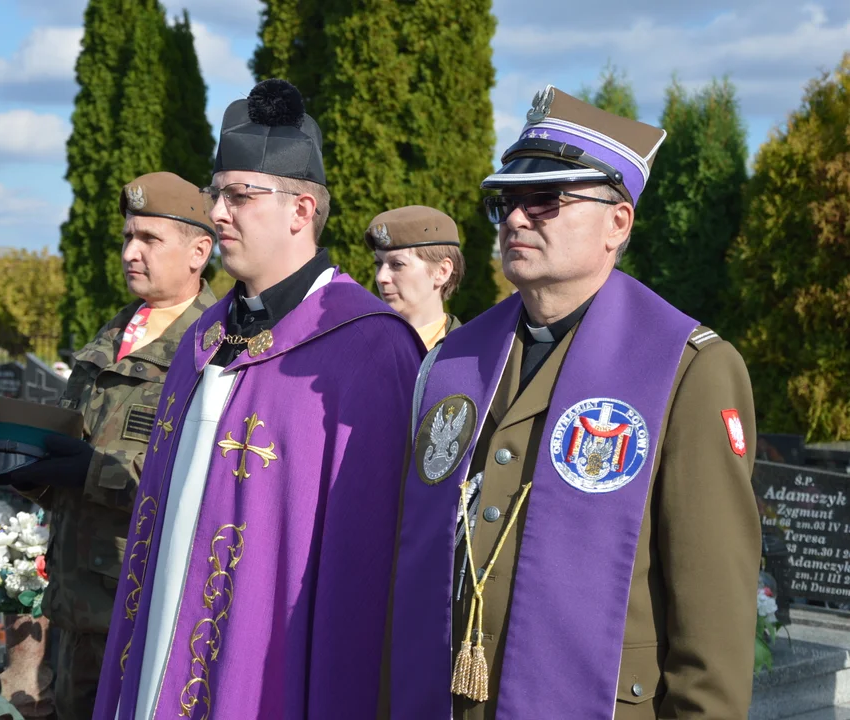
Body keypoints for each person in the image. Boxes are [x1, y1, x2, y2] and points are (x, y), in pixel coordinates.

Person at [382, 86, 760, 719]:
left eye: (546, 199)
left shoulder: (689, 368)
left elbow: (713, 626)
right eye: (504, 201)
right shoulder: (454, 360)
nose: (516, 219)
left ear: (619, 222)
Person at [94, 78, 423, 720]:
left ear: (301, 210)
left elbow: (366, 569)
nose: (217, 212)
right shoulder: (203, 339)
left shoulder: (367, 347)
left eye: (240, 196)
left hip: (272, 672)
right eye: (217, 193)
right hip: (164, 637)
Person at [0, 172, 218, 719]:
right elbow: (73, 448)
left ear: (199, 251)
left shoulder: (214, 346)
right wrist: (31, 471)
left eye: (149, 239)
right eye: (127, 238)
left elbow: (201, 481)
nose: (131, 252)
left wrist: (90, 471)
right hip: (74, 604)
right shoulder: (111, 337)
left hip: (141, 607)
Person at [367, 205, 465, 348]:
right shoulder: (361, 348)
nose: (381, 277)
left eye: (397, 264)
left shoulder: (469, 354)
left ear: (442, 271)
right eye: (378, 263)